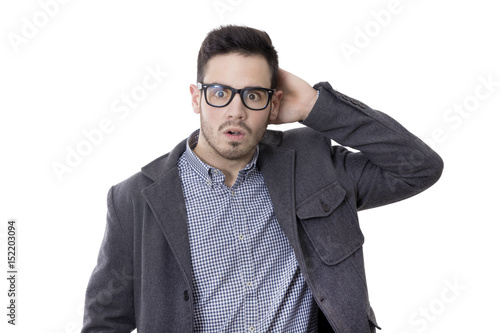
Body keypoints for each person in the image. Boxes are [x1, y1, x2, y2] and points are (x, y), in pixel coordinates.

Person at [82, 25, 443, 333]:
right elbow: (104, 322)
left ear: (273, 105)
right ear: (196, 98)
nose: (235, 112)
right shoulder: (134, 199)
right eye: (220, 93)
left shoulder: (313, 166)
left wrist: (315, 106)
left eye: (253, 95)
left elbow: (418, 167)